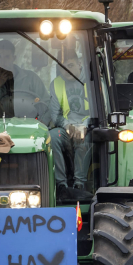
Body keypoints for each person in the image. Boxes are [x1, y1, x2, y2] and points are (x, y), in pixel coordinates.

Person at [50, 54, 92, 200]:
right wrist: (68, 125)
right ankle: (61, 185)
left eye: (70, 65)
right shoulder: (56, 84)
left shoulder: (92, 81)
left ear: (79, 64)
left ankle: (79, 184)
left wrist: (85, 125)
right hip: (66, 128)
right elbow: (55, 115)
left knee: (84, 139)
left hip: (88, 126)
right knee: (53, 137)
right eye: (62, 67)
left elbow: (100, 110)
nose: (66, 70)